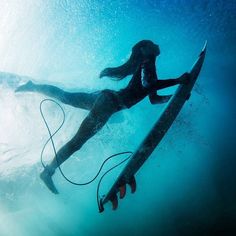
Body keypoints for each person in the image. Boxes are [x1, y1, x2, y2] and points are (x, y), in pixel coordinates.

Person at [15, 40, 189, 194]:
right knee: (77, 142)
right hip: (108, 104)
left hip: (105, 98)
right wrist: (177, 81)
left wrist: (174, 96)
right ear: (146, 49)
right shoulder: (147, 63)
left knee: (65, 96)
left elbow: (154, 98)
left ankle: (32, 86)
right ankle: (48, 172)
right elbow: (148, 85)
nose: (157, 45)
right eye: (152, 44)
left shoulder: (147, 66)